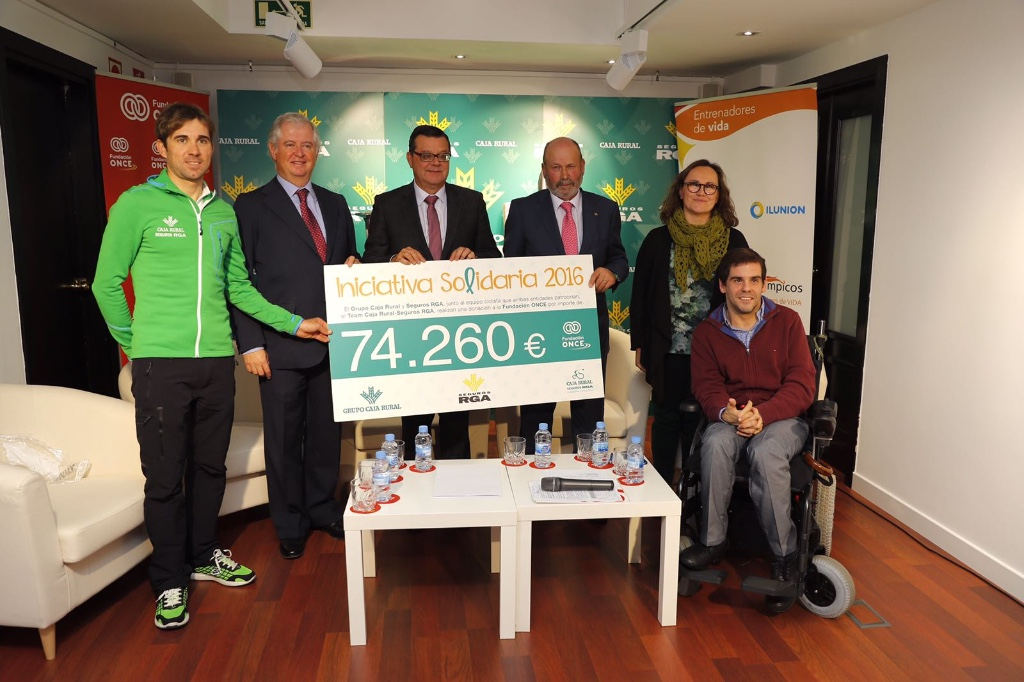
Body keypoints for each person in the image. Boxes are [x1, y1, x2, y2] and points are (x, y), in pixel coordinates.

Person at [92, 102, 331, 631]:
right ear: (162, 148)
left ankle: (203, 555)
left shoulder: (223, 210)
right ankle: (168, 579)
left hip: (217, 363)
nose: (194, 150)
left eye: (202, 140)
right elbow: (105, 284)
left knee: (209, 470)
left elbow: (240, 288)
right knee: (164, 478)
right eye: (182, 140)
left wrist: (296, 324)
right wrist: (138, 345)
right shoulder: (137, 204)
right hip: (160, 365)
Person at [230, 113, 360, 561]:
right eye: (290, 145)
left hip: (333, 343)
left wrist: (355, 265)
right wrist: (251, 343)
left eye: (307, 145)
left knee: (326, 436)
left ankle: (323, 509)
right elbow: (238, 282)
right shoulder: (250, 206)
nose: (300, 153)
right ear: (273, 150)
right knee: (284, 441)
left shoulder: (336, 203)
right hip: (278, 346)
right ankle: (289, 523)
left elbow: (348, 258)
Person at [682, 247, 815, 613]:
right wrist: (724, 412)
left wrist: (764, 414)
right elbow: (706, 386)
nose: (747, 288)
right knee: (714, 445)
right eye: (738, 280)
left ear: (763, 284)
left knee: (765, 451)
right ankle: (712, 541)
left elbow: (802, 386)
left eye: (755, 280)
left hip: (782, 418)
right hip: (733, 415)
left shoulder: (788, 322)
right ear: (723, 285)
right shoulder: (707, 333)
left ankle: (784, 554)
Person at [363, 124, 500, 459]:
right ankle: (414, 488)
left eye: (443, 156)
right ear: (410, 158)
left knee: (457, 429)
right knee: (414, 426)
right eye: (426, 155)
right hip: (411, 337)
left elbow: (493, 257)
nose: (435, 163)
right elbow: (371, 261)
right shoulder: (387, 204)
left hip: (461, 336)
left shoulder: (472, 201)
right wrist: (394, 260)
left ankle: (459, 490)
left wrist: (475, 256)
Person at [503, 137, 629, 450]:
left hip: (588, 330)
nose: (565, 176)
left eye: (571, 166)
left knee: (588, 415)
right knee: (536, 416)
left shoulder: (606, 209)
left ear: (582, 167)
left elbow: (618, 257)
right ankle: (531, 470)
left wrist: (612, 272)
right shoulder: (522, 210)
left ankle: (588, 468)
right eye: (556, 167)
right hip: (538, 334)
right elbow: (510, 269)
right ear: (544, 170)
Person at [629, 160, 747, 485]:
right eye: (693, 184)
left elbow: (742, 293)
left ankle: (697, 493)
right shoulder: (657, 239)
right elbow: (640, 295)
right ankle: (663, 489)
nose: (701, 191)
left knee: (707, 420)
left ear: (719, 195)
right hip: (667, 347)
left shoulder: (734, 240)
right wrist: (640, 343)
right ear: (681, 191)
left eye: (710, 186)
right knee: (666, 419)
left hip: (715, 350)